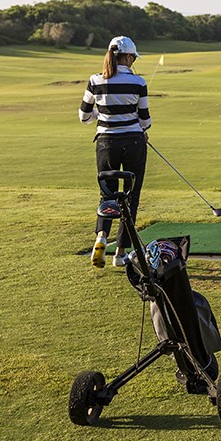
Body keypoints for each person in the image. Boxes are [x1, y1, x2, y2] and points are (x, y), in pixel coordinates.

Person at [79, 36, 150, 268]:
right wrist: (139, 127)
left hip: (106, 144)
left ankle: (100, 237)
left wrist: (102, 115)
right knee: (131, 197)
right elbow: (145, 120)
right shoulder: (138, 82)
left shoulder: (95, 80)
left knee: (107, 195)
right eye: (132, 58)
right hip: (134, 143)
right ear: (128, 57)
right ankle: (119, 253)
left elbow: (84, 117)